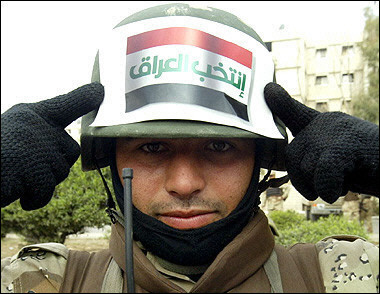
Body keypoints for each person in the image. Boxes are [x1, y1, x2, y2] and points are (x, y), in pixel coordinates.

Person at [1, 3, 379, 293]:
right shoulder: (42, 279)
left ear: (260, 160)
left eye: (218, 145)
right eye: (151, 147)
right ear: (110, 158)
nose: (184, 183)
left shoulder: (343, 275)